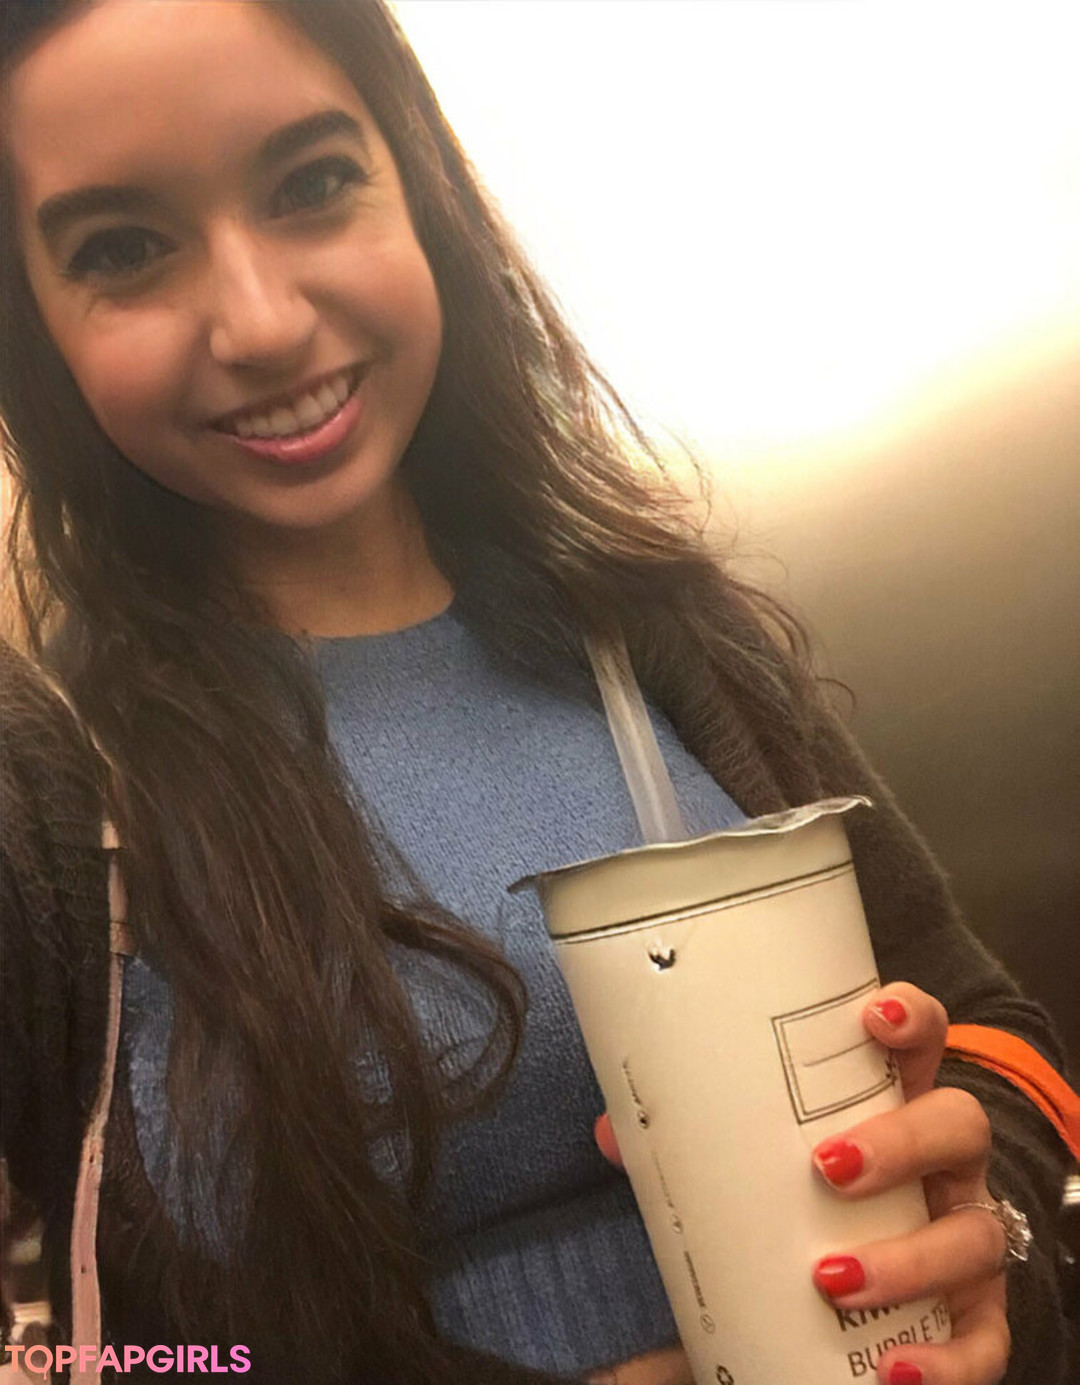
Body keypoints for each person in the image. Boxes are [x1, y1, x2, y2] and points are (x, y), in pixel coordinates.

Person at [0, 3, 1071, 1383]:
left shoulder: (654, 632)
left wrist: (986, 1230)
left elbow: (986, 1027)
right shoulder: (45, 801)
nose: (262, 323)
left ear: (418, 185)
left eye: (312, 181)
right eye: (123, 249)